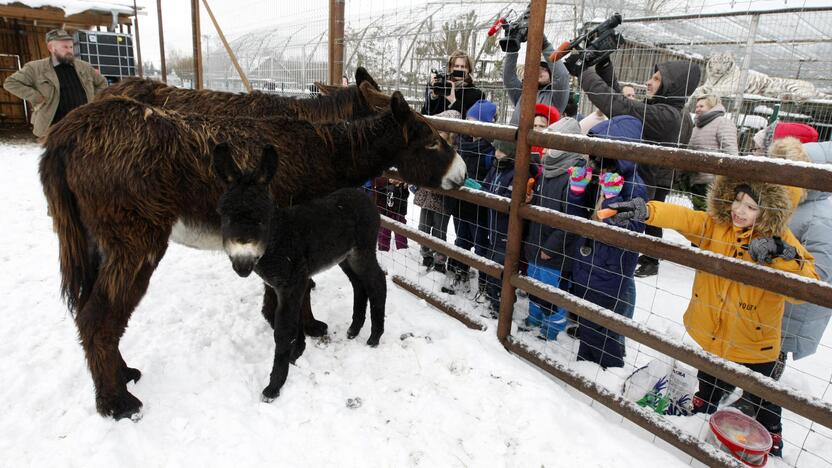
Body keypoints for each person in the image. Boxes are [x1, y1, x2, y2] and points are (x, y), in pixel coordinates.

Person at [607, 172, 818, 458]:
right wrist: (649, 210)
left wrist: (780, 253)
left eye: (751, 206)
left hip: (754, 340)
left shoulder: (779, 239)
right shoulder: (717, 227)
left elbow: (806, 285)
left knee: (763, 393)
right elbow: (684, 218)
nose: (739, 211)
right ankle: (702, 412)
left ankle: (773, 436)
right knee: (709, 378)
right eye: (737, 201)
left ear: (768, 211)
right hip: (714, 330)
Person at [564, 56, 701, 278]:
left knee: (618, 256)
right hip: (637, 182)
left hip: (640, 187)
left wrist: (583, 72)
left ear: (672, 86)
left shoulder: (666, 116)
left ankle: (618, 296)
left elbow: (621, 106)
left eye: (656, 79)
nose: (649, 82)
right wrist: (605, 68)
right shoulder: (663, 109)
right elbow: (624, 103)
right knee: (611, 247)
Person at [566, 115, 647, 368]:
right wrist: (577, 192)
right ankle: (587, 362)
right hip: (587, 257)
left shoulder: (634, 186)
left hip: (611, 263)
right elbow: (576, 217)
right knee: (588, 315)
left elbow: (632, 229)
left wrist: (613, 199)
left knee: (604, 320)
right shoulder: (598, 174)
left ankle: (608, 367)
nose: (595, 156)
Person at [523, 117, 586, 340]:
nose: (547, 145)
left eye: (553, 140)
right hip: (536, 241)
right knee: (534, 283)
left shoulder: (575, 175)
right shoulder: (547, 168)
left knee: (550, 290)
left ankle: (551, 327)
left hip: (555, 250)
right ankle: (534, 318)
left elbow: (572, 218)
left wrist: (551, 248)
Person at [774, 140, 832, 375]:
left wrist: (778, 255)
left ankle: (758, 398)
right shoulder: (791, 204)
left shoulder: (821, 218)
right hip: (772, 296)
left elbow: (821, 273)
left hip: (792, 306)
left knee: (772, 353)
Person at [4, 29, 108, 138]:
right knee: (58, 154)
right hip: (53, 127)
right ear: (51, 48)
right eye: (65, 47)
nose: (70, 51)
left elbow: (102, 82)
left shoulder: (84, 66)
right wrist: (35, 96)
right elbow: (10, 83)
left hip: (84, 125)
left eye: (71, 47)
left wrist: (95, 100)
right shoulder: (35, 68)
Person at [445, 100, 497, 296]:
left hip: (480, 207)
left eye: (474, 121)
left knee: (482, 245)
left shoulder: (490, 150)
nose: (469, 125)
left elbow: (493, 177)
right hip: (461, 204)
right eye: (467, 120)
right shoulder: (461, 144)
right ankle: (459, 272)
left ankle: (484, 284)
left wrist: (480, 186)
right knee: (461, 239)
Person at [481, 139, 530, 315]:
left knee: (502, 267)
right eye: (496, 150)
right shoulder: (495, 167)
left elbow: (508, 198)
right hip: (492, 229)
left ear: (510, 153)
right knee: (492, 262)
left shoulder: (516, 172)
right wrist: (477, 188)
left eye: (501, 151)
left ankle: (502, 303)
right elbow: (486, 186)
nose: (497, 154)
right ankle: (493, 298)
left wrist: (487, 194)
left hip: (506, 230)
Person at [414, 109, 460, 273]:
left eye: (442, 130)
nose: (438, 133)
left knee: (440, 231)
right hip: (426, 196)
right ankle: (426, 255)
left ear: (451, 133)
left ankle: (440, 261)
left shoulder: (453, 152)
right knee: (423, 227)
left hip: (442, 199)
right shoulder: (430, 146)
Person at [684, 94, 739, 210]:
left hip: (715, 183)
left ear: (712, 107)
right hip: (697, 180)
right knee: (700, 215)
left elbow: (731, 151)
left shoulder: (722, 123)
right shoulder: (697, 127)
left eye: (701, 106)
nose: (697, 109)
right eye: (697, 106)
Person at [503, 36, 571, 124]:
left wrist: (545, 46)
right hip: (515, 137)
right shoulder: (523, 92)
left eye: (544, 69)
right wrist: (512, 50)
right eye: (536, 69)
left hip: (540, 137)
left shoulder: (557, 97)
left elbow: (562, 76)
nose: (539, 72)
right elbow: (509, 78)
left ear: (551, 74)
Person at [421, 50, 483, 119]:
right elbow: (425, 115)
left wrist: (454, 101)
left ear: (469, 70)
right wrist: (433, 96)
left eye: (463, 67)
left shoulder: (477, 94)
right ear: (450, 68)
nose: (459, 69)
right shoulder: (442, 87)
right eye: (456, 66)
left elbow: (472, 119)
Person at [372, 176, 409, 252]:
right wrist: (388, 180)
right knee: (384, 230)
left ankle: (402, 250)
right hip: (384, 207)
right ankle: (383, 249)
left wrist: (404, 186)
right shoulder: (383, 172)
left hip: (399, 208)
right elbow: (377, 182)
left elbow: (405, 195)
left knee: (400, 229)